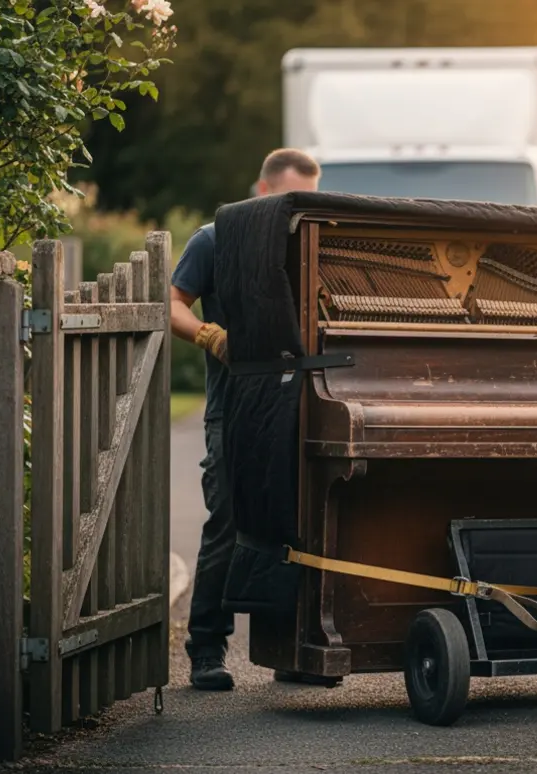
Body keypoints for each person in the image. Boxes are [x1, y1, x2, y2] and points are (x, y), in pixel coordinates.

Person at [169, 148, 321, 691]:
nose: (293, 209)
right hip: (232, 410)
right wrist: (210, 335)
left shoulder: (313, 244)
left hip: (299, 407)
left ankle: (292, 649)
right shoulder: (214, 238)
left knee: (298, 524)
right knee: (230, 526)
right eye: (284, 198)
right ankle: (207, 650)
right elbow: (173, 303)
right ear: (261, 192)